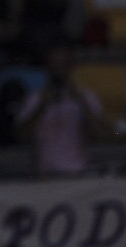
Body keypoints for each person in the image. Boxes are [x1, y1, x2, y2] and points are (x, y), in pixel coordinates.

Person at [16, 46, 105, 177]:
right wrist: (42, 106)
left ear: (71, 66)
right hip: (44, 174)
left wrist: (82, 104)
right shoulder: (34, 99)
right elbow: (21, 136)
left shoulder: (86, 97)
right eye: (54, 65)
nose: (58, 70)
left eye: (63, 65)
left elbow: (100, 135)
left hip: (79, 172)